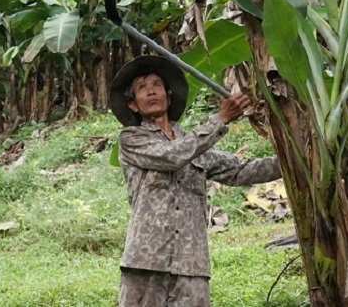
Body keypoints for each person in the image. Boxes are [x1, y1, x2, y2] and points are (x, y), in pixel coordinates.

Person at [109, 55, 282, 307]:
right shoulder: (132, 139)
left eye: (156, 85)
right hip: (146, 262)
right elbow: (171, 156)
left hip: (191, 264)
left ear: (168, 96)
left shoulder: (194, 145)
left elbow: (240, 171)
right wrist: (219, 120)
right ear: (134, 105)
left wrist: (293, 161)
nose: (150, 92)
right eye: (142, 89)